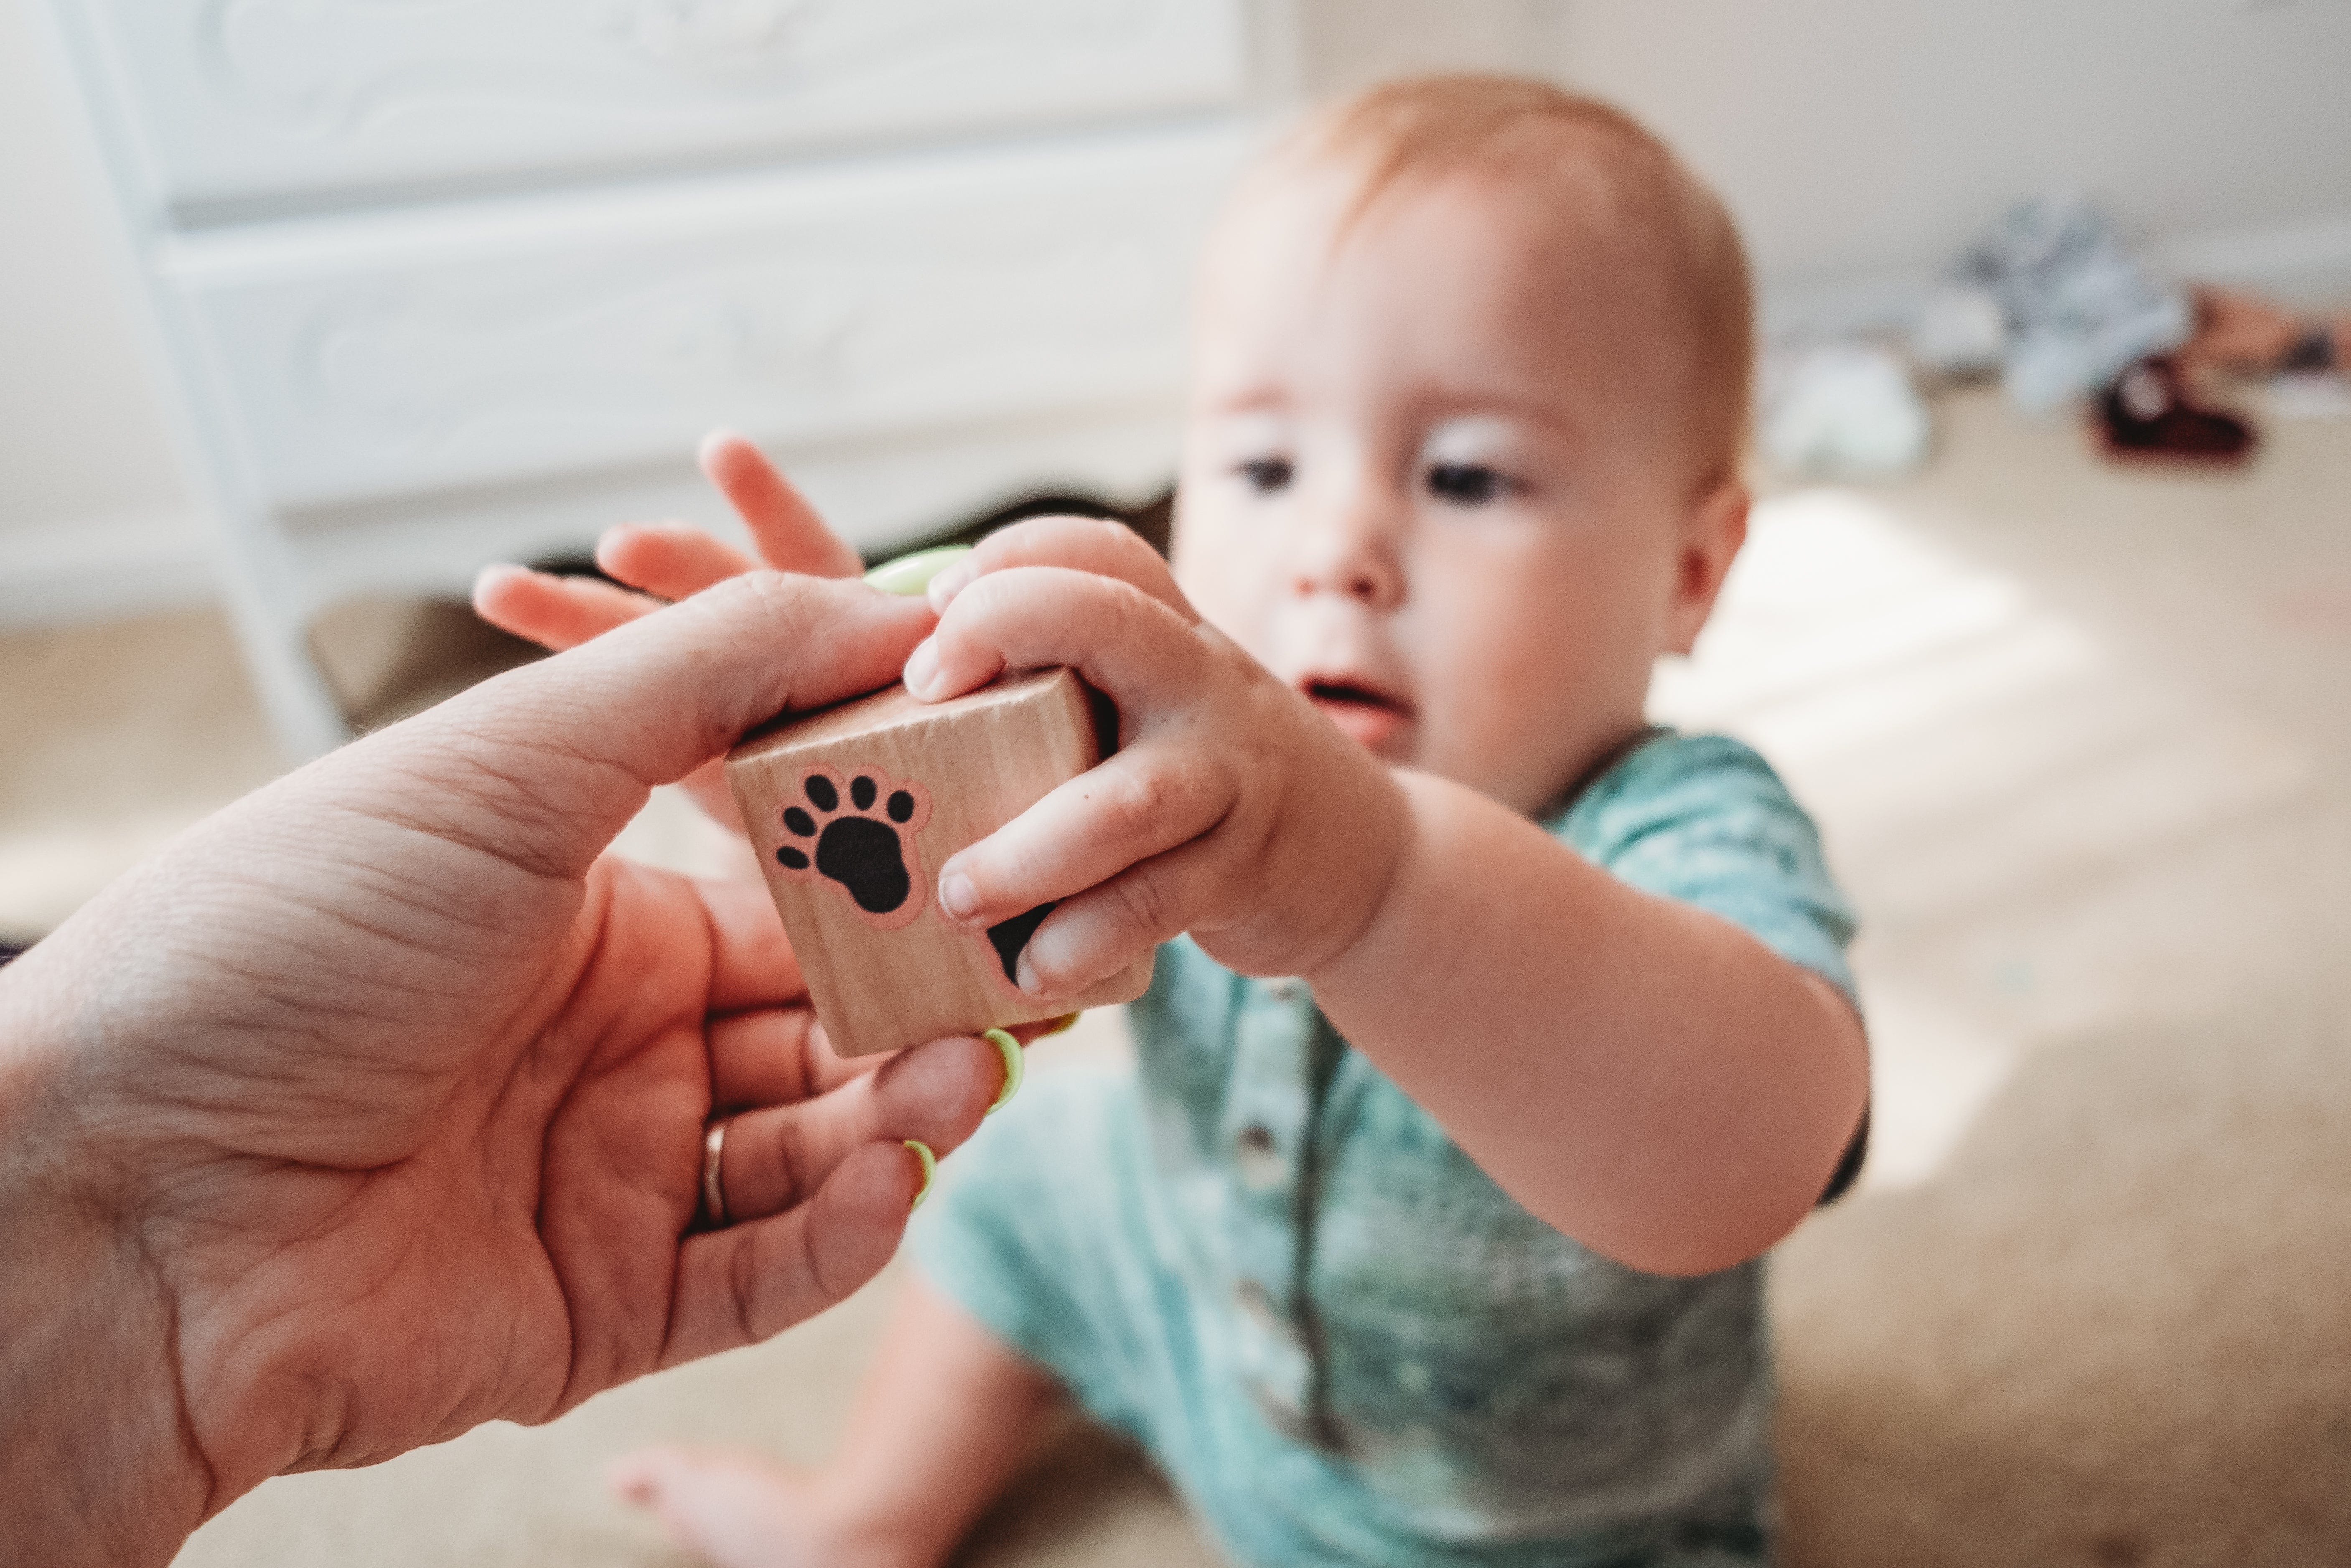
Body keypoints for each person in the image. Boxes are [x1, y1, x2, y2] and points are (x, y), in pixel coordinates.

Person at [480, 75, 1871, 1567]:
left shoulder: (1683, 821)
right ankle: (865, 1519)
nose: (1337, 549)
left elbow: (1755, 1157)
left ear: (1692, 568)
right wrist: (853, 768)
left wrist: (1374, 880)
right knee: (1022, 1188)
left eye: (1466, 473)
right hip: (1204, 1329)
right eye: (1266, 466)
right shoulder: (1156, 767)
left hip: (1548, 1531)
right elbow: (962, 946)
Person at [0, 561, 1035, 1568]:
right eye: (1208, 468)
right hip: (1102, 1199)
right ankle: (862, 1525)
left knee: (986, 1133)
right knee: (1016, 1201)